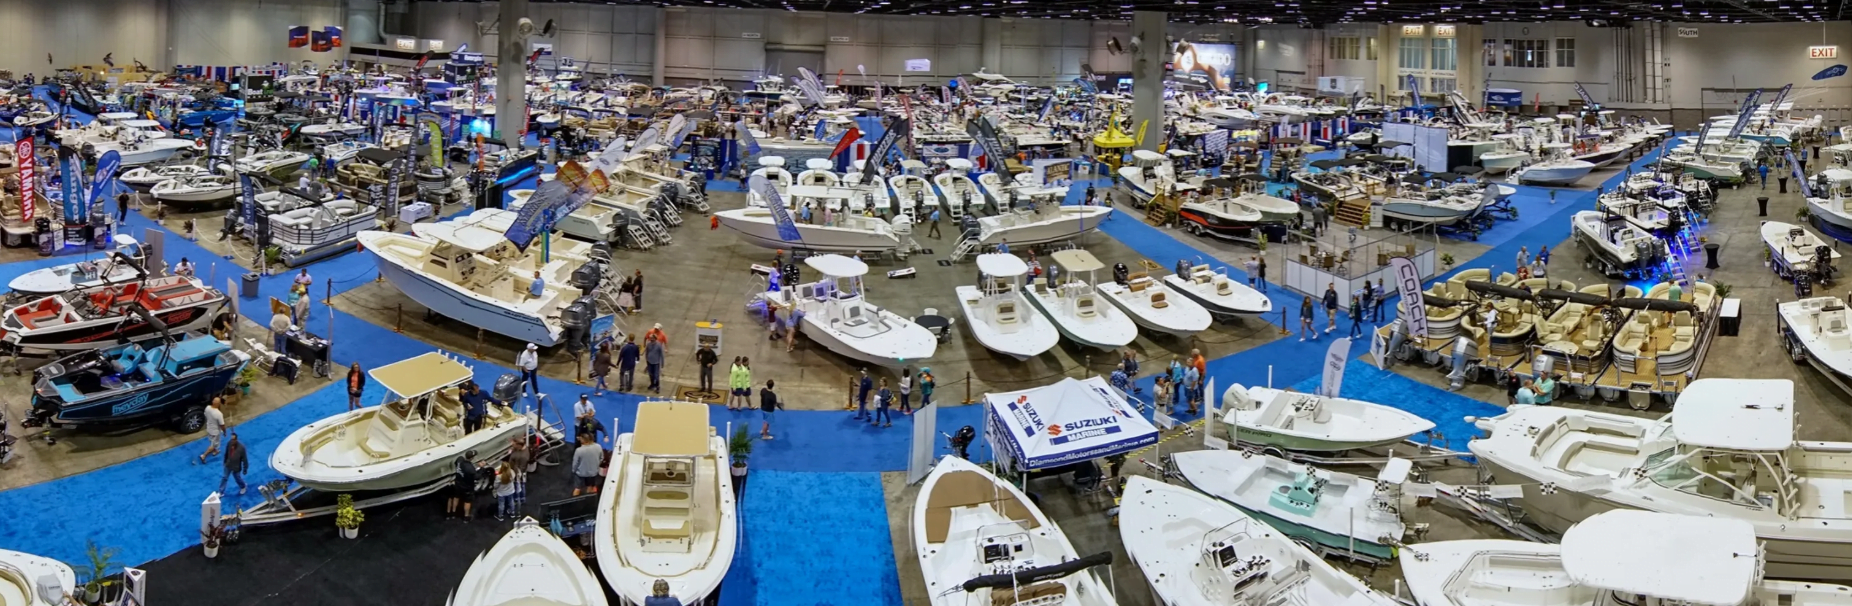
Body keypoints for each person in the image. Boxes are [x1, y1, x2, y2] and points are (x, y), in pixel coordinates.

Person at [448, 450, 482, 520]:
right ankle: (466, 517)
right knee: (467, 501)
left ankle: (453, 513)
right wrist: (481, 468)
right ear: (472, 458)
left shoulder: (459, 459)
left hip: (458, 483)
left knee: (456, 497)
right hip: (467, 487)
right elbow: (477, 477)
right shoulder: (470, 468)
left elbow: (455, 463)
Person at [197, 397, 225, 464]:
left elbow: (206, 415)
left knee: (212, 441)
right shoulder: (219, 414)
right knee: (213, 445)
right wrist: (225, 431)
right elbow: (222, 425)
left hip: (209, 428)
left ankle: (215, 451)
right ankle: (203, 456)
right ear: (218, 404)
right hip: (215, 432)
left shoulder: (207, 408)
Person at [219, 431, 248, 495]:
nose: (232, 441)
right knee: (224, 477)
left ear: (236, 440)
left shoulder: (241, 448)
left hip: (236, 467)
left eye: (233, 440)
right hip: (228, 464)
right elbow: (226, 453)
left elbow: (245, 459)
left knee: (237, 478)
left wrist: (245, 469)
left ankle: (243, 486)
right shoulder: (229, 443)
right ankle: (221, 492)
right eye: (231, 439)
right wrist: (225, 461)